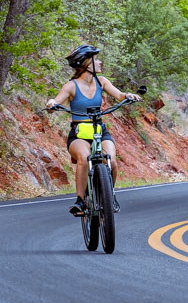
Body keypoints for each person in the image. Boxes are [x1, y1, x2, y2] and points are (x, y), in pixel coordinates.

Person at [47, 44, 138, 215]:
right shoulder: (71, 86)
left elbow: (119, 95)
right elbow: (56, 102)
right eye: (96, 59)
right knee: (84, 157)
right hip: (79, 133)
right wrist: (52, 103)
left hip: (99, 130)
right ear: (86, 64)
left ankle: (109, 196)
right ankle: (80, 201)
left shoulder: (101, 81)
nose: (100, 62)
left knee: (111, 161)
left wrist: (129, 96)